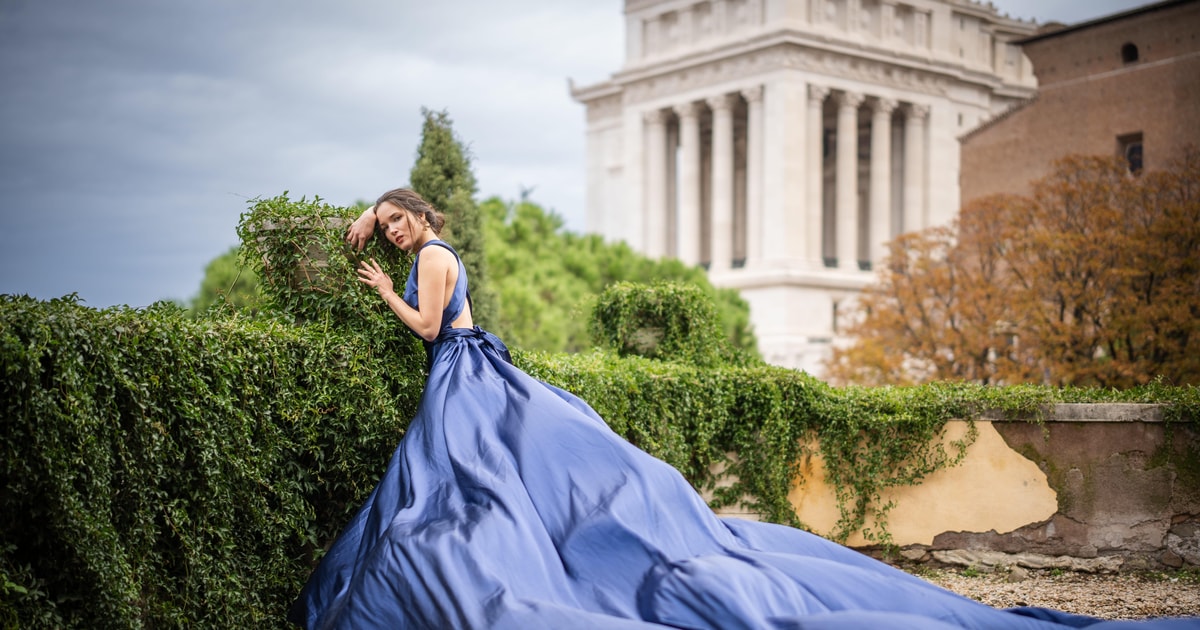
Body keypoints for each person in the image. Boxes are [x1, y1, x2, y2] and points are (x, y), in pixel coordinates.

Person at [288, 188, 1197, 629]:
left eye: (399, 221)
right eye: (387, 227)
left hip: (458, 367)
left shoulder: (432, 257)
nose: (394, 233)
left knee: (463, 485)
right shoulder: (420, 241)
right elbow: (400, 263)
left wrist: (384, 287)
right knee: (469, 485)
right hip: (469, 369)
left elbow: (429, 326)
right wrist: (361, 224)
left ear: (422, 218)